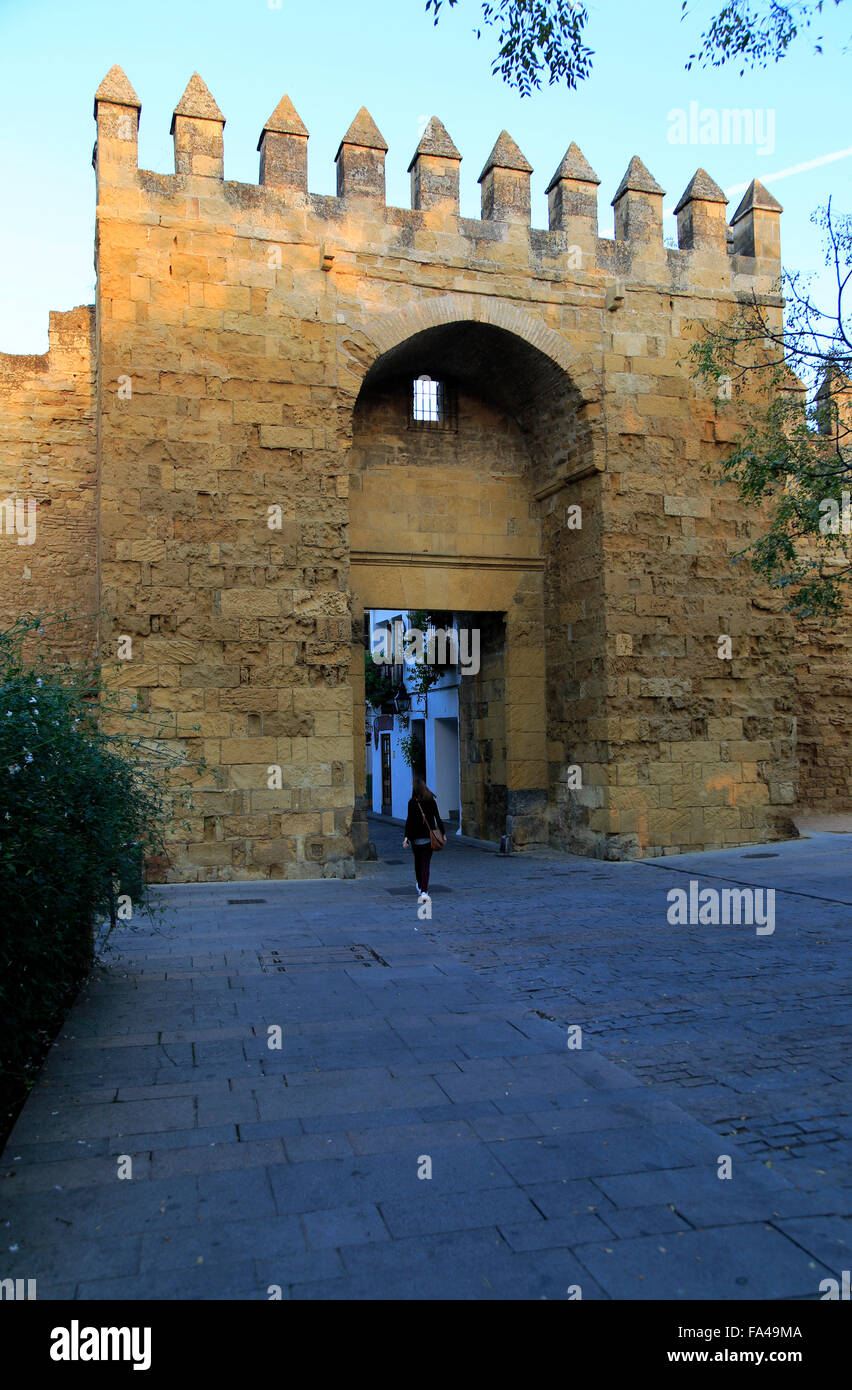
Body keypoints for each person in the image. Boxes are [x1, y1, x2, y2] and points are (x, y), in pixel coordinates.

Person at [402, 776, 445, 905]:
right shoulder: (431, 801)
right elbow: (438, 818)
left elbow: (409, 821)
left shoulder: (412, 802)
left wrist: (406, 838)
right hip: (428, 837)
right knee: (425, 864)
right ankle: (424, 890)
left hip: (416, 839)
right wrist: (443, 833)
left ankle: (421, 885)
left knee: (418, 863)